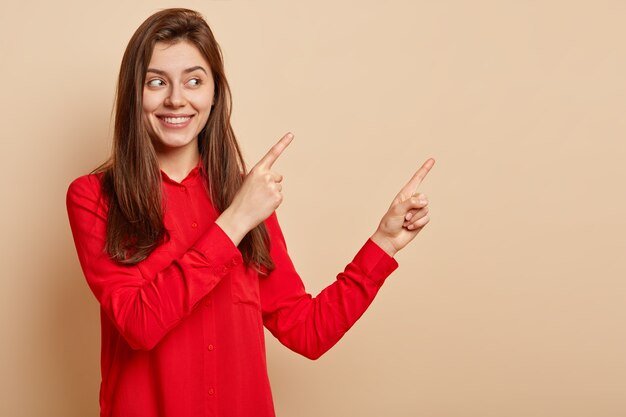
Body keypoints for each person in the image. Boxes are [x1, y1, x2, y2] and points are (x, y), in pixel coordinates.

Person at [66, 7, 434, 417]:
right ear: (135, 92)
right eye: (157, 82)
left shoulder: (245, 197)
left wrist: (382, 244)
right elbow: (139, 325)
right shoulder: (93, 198)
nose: (176, 98)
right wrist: (235, 220)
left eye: (193, 81)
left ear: (214, 93)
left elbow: (307, 331)